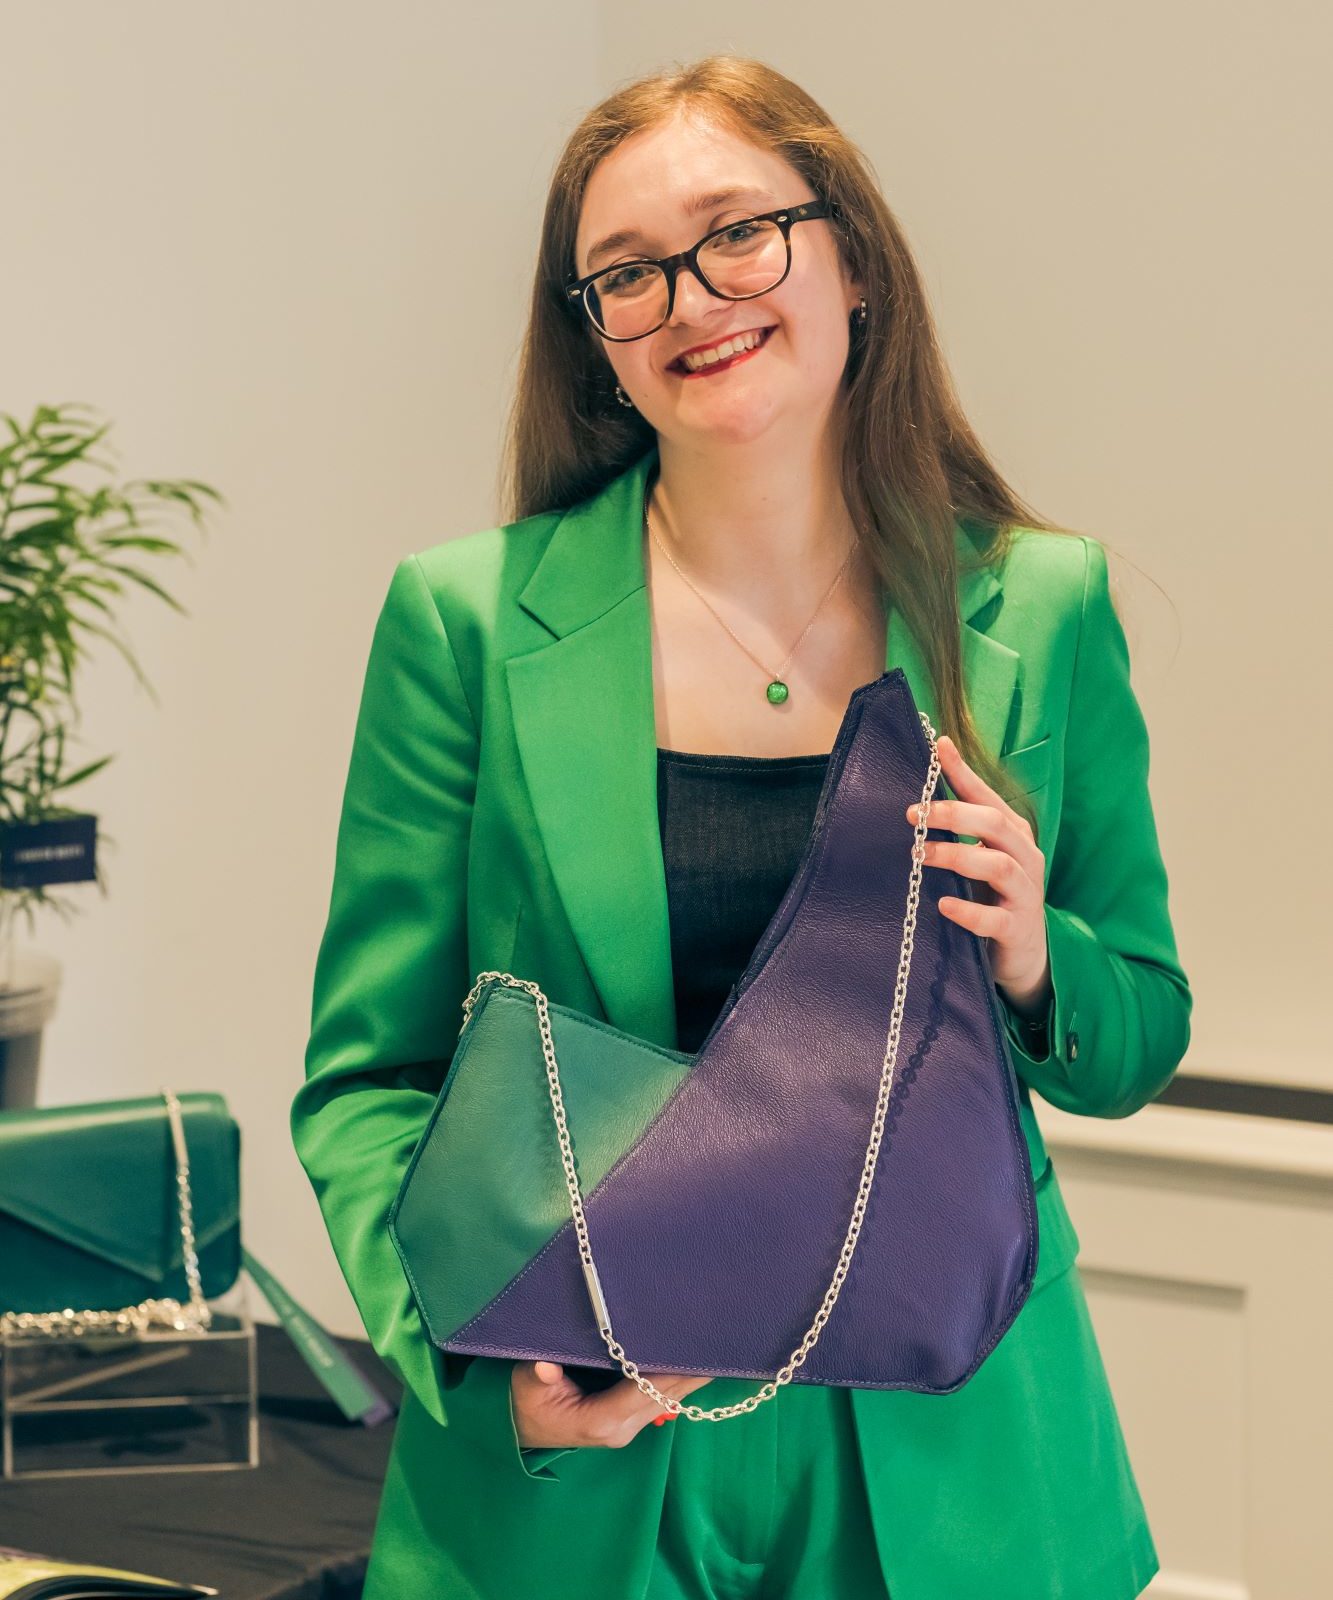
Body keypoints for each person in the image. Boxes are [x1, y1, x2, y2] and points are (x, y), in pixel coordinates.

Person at [292, 54, 1191, 1600]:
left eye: (736, 233)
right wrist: (467, 1359)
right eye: (624, 274)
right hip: (587, 1448)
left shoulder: (1042, 606)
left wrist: (1037, 957)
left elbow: (1138, 1034)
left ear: (852, 259)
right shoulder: (462, 621)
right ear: (596, 342)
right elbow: (368, 1080)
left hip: (953, 1451)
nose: (690, 298)